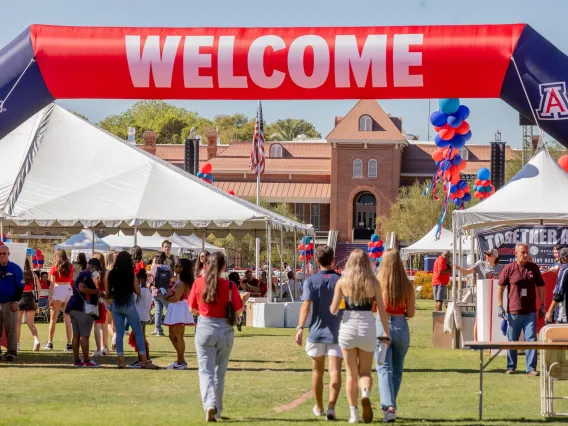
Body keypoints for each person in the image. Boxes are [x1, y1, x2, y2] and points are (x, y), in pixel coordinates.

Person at [330, 249, 390, 424]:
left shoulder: (342, 282)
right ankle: (365, 393)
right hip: (367, 327)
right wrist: (386, 332)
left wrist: (340, 303)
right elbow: (382, 310)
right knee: (365, 372)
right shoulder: (374, 283)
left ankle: (353, 414)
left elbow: (333, 309)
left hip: (348, 327)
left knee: (350, 374)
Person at [189, 252, 245, 422]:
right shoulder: (230, 286)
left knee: (205, 371)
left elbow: (192, 308)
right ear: (223, 267)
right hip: (225, 329)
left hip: (205, 327)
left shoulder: (198, 283)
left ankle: (210, 404)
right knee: (219, 373)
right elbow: (238, 310)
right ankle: (217, 410)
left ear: (206, 265)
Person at [295, 246, 343, 421]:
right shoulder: (341, 280)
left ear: (317, 261)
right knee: (335, 371)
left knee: (317, 371)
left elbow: (306, 305)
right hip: (338, 332)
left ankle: (319, 406)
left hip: (316, 331)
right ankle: (331, 407)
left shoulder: (310, 281)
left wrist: (300, 327)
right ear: (333, 260)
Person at [375, 249, 415, 423]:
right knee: (397, 369)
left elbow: (372, 308)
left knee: (384, 369)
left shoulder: (378, 282)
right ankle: (391, 406)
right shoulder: (407, 285)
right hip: (401, 326)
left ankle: (388, 406)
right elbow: (411, 313)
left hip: (381, 327)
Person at [498, 242, 545, 376]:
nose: (525, 254)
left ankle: (531, 368)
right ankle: (511, 367)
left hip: (530, 311)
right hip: (513, 312)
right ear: (516, 253)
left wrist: (542, 305)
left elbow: (541, 287)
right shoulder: (508, 268)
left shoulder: (533, 268)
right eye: (522, 252)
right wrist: (499, 306)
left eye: (526, 252)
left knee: (531, 340)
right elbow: (500, 288)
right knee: (512, 340)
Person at [108, 251, 159, 369]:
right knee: (138, 333)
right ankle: (144, 360)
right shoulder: (131, 274)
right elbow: (138, 291)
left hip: (116, 304)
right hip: (129, 304)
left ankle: (121, 361)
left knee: (119, 334)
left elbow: (109, 292)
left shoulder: (111, 274)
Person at [66, 258, 102, 367]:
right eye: (97, 269)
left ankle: (77, 360)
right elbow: (81, 288)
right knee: (85, 336)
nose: (98, 272)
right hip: (83, 308)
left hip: (73, 307)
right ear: (93, 267)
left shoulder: (81, 274)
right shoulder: (86, 275)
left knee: (76, 335)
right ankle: (87, 360)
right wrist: (96, 291)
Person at [164, 258, 195, 370]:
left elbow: (176, 298)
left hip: (179, 308)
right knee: (172, 336)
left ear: (182, 269)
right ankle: (180, 360)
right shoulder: (180, 281)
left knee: (178, 336)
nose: (175, 267)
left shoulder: (182, 283)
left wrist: (166, 297)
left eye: (177, 266)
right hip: (176, 308)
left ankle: (180, 361)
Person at [45, 249, 75, 351]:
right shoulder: (70, 267)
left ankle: (50, 342)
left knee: (53, 319)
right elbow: (71, 280)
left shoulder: (54, 267)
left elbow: (52, 284)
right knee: (67, 319)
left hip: (58, 290)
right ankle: (69, 343)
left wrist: (50, 297)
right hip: (68, 290)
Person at [0, 245, 25, 361]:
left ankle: (11, 352)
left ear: (8, 254)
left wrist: (16, 301)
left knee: (11, 329)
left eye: (4, 253)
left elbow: (20, 287)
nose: (2, 256)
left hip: (10, 303)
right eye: (0, 254)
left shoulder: (15, 268)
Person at [128, 268, 153, 368]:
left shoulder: (139, 291)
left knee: (140, 338)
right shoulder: (148, 290)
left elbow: (133, 302)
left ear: (141, 280)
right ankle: (145, 358)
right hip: (145, 315)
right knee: (142, 337)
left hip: (138, 316)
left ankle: (141, 359)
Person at [17, 258, 41, 351]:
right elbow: (39, 288)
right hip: (30, 297)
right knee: (31, 324)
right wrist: (37, 300)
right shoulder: (33, 274)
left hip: (19, 297)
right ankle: (36, 340)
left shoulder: (18, 273)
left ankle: (17, 344)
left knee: (18, 323)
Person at [150, 252, 173, 336]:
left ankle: (158, 330)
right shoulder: (168, 268)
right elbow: (171, 280)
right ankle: (172, 327)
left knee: (158, 311)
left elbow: (150, 280)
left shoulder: (153, 267)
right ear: (164, 259)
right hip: (165, 292)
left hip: (156, 291)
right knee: (169, 310)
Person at [91, 252, 109, 357]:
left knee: (97, 324)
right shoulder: (106, 272)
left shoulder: (94, 273)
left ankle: (99, 349)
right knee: (104, 324)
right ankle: (104, 347)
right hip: (105, 299)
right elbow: (106, 288)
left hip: (96, 298)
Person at [546, 247, 568, 324]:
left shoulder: (565, 270)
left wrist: (549, 312)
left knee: (560, 336)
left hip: (564, 317)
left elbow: (558, 294)